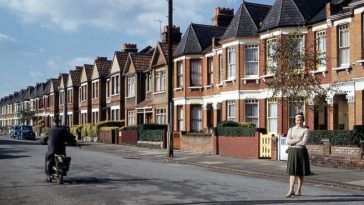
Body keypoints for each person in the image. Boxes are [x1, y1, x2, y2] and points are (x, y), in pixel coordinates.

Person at [285, 112, 311, 197]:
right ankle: (291, 190)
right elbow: (287, 141)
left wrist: (293, 141)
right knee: (292, 172)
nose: (299, 121)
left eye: (300, 120)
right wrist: (297, 140)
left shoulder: (305, 130)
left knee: (300, 173)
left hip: (301, 152)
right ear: (295, 120)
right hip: (292, 152)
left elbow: (304, 142)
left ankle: (299, 190)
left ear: (303, 120)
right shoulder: (291, 129)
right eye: (297, 120)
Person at [44, 118, 77, 182]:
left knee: (48, 160)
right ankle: (63, 169)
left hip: (52, 149)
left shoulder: (50, 130)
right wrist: (73, 143)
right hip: (61, 149)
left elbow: (45, 138)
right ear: (59, 122)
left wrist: (43, 142)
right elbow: (69, 138)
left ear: (53, 122)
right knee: (64, 158)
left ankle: (49, 176)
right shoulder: (63, 130)